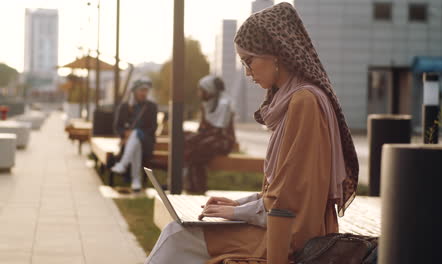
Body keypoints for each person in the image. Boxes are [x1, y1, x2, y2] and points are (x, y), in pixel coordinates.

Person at [144, 3, 359, 264]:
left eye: (249, 61)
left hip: (290, 237)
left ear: (275, 54)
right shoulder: (298, 98)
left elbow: (288, 202)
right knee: (177, 233)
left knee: (177, 236)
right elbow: (284, 190)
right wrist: (236, 205)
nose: (247, 72)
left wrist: (235, 213)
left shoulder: (304, 102)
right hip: (282, 227)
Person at [183, 75, 236, 194]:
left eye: (201, 90)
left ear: (209, 89)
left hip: (223, 140)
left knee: (198, 149)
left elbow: (219, 130)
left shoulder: (224, 104)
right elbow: (202, 129)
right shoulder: (206, 105)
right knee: (188, 142)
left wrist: (199, 136)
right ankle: (190, 185)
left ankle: (197, 188)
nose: (199, 93)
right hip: (210, 139)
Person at [112, 79, 158, 192]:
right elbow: (117, 127)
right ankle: (136, 180)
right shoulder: (125, 107)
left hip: (146, 142)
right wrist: (125, 133)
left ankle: (123, 164)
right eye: (142, 90)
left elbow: (153, 128)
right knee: (135, 142)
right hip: (129, 143)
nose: (144, 93)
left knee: (136, 134)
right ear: (134, 91)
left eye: (146, 90)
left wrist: (137, 133)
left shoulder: (151, 107)